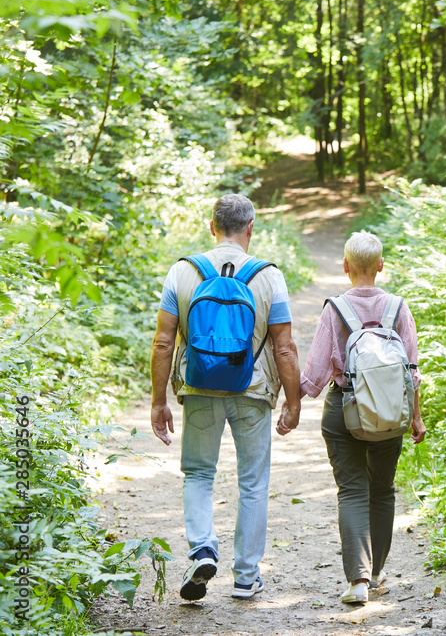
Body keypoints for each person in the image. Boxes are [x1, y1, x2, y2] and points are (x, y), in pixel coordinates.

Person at [150, 194, 302, 602]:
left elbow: (164, 342)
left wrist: (158, 401)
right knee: (253, 482)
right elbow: (284, 347)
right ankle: (246, 576)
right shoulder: (269, 276)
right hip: (252, 392)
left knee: (199, 473)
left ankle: (202, 547)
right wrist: (294, 401)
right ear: (251, 228)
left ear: (211, 225)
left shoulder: (182, 272)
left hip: (198, 388)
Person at [296, 230, 426, 604]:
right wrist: (415, 418)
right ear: (381, 266)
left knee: (352, 490)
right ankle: (379, 572)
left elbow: (316, 376)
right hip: (390, 413)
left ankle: (358, 582)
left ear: (345, 266)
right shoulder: (399, 308)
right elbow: (411, 371)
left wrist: (291, 400)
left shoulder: (334, 309)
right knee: (382, 491)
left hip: (345, 412)